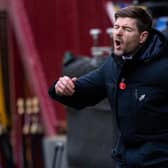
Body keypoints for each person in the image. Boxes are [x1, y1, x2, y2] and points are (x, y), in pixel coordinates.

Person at [48, 6, 168, 168]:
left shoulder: (163, 66)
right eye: (116, 27)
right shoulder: (113, 65)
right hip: (125, 161)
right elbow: (83, 92)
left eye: (126, 29)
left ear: (142, 36)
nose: (118, 33)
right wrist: (60, 87)